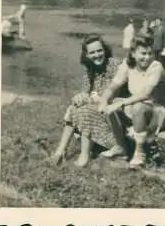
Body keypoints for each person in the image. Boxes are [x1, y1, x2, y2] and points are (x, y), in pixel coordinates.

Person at [49, 34, 124, 167]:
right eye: (92, 52)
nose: (97, 55)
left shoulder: (115, 64)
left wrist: (92, 99)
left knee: (85, 110)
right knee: (75, 106)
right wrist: (80, 97)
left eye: (99, 50)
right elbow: (85, 92)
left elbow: (113, 94)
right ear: (87, 55)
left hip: (115, 114)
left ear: (105, 50)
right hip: (98, 111)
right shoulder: (89, 69)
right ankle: (60, 151)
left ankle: (85, 155)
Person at [98, 34, 165, 168]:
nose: (147, 57)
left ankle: (140, 152)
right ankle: (121, 147)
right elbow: (113, 86)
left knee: (137, 106)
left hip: (159, 110)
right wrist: (104, 100)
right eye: (143, 53)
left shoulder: (156, 66)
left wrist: (122, 103)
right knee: (111, 105)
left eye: (150, 53)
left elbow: (146, 94)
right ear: (133, 53)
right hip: (138, 107)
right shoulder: (127, 64)